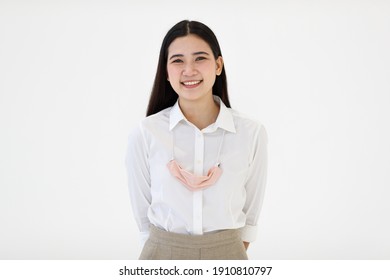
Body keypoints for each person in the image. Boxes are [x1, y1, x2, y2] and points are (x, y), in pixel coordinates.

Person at [125, 20, 268, 260]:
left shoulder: (251, 133)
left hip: (228, 256)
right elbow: (142, 215)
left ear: (218, 65)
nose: (189, 70)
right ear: (166, 72)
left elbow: (250, 213)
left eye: (200, 58)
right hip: (161, 254)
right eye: (178, 60)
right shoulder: (145, 133)